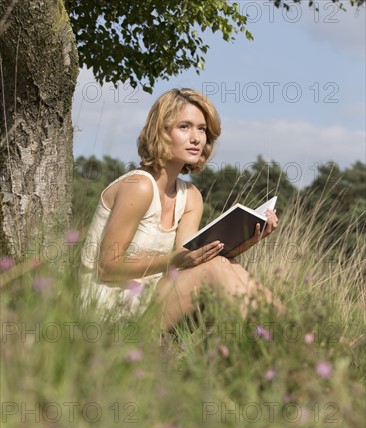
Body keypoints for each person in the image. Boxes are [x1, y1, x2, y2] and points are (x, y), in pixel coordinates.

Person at [80, 88, 279, 330]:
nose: (196, 138)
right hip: (109, 308)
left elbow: (191, 261)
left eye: (202, 129)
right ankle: (281, 344)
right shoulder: (139, 186)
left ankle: (297, 337)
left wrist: (248, 240)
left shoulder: (191, 197)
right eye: (184, 127)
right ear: (161, 132)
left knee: (223, 265)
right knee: (214, 270)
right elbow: (106, 266)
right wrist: (174, 260)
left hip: (154, 299)